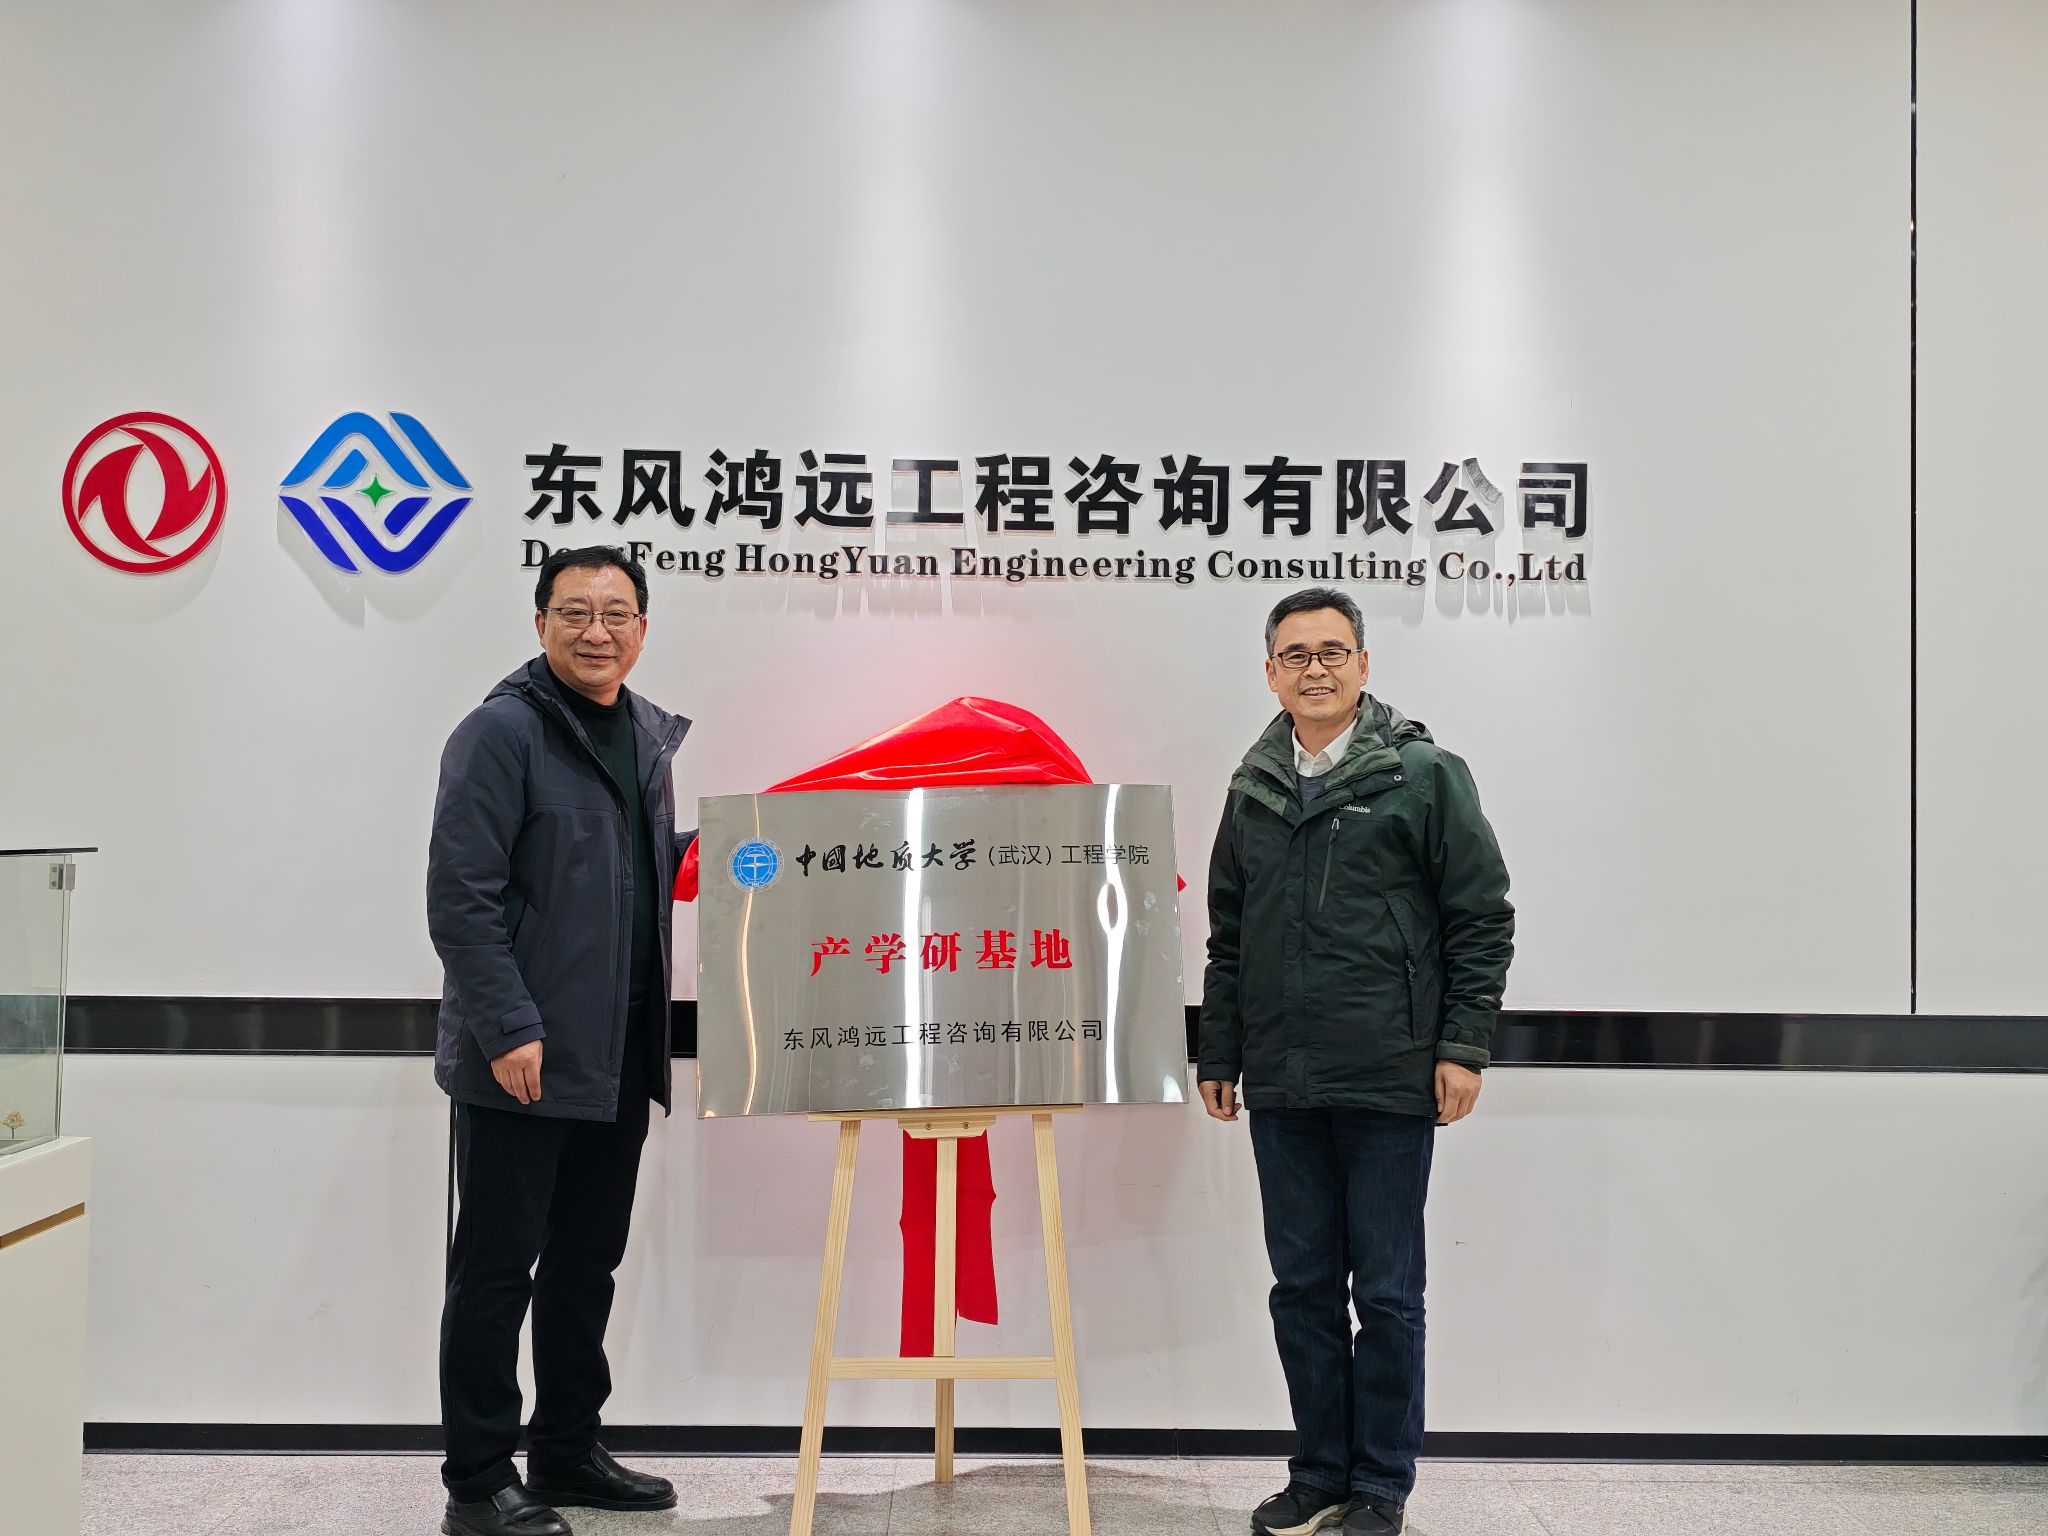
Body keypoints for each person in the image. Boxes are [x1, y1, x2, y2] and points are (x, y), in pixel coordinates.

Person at [1198, 587, 1514, 1536]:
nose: (1316, 669)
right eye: (1296, 655)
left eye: (1333, 652)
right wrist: (1221, 1050)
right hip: (1283, 1081)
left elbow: (1480, 918)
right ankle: (1319, 1473)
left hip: (1389, 1075)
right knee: (1301, 1289)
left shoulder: (1424, 775)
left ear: (1365, 666)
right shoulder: (1253, 788)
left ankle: (1381, 1482)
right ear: (1271, 674)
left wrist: (1462, 1046)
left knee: (1385, 1293)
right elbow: (1228, 936)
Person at [427, 546, 694, 1536]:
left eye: (616, 613)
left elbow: (623, 868)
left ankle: (568, 1450)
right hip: (523, 1057)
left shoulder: (645, 736)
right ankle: (477, 1484)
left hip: (616, 1052)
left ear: (642, 630)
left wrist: (723, 850)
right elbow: (462, 896)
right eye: (575, 612)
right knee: (496, 1273)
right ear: (540, 623)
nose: (596, 631)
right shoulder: (501, 733)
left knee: (586, 1266)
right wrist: (508, 1026)